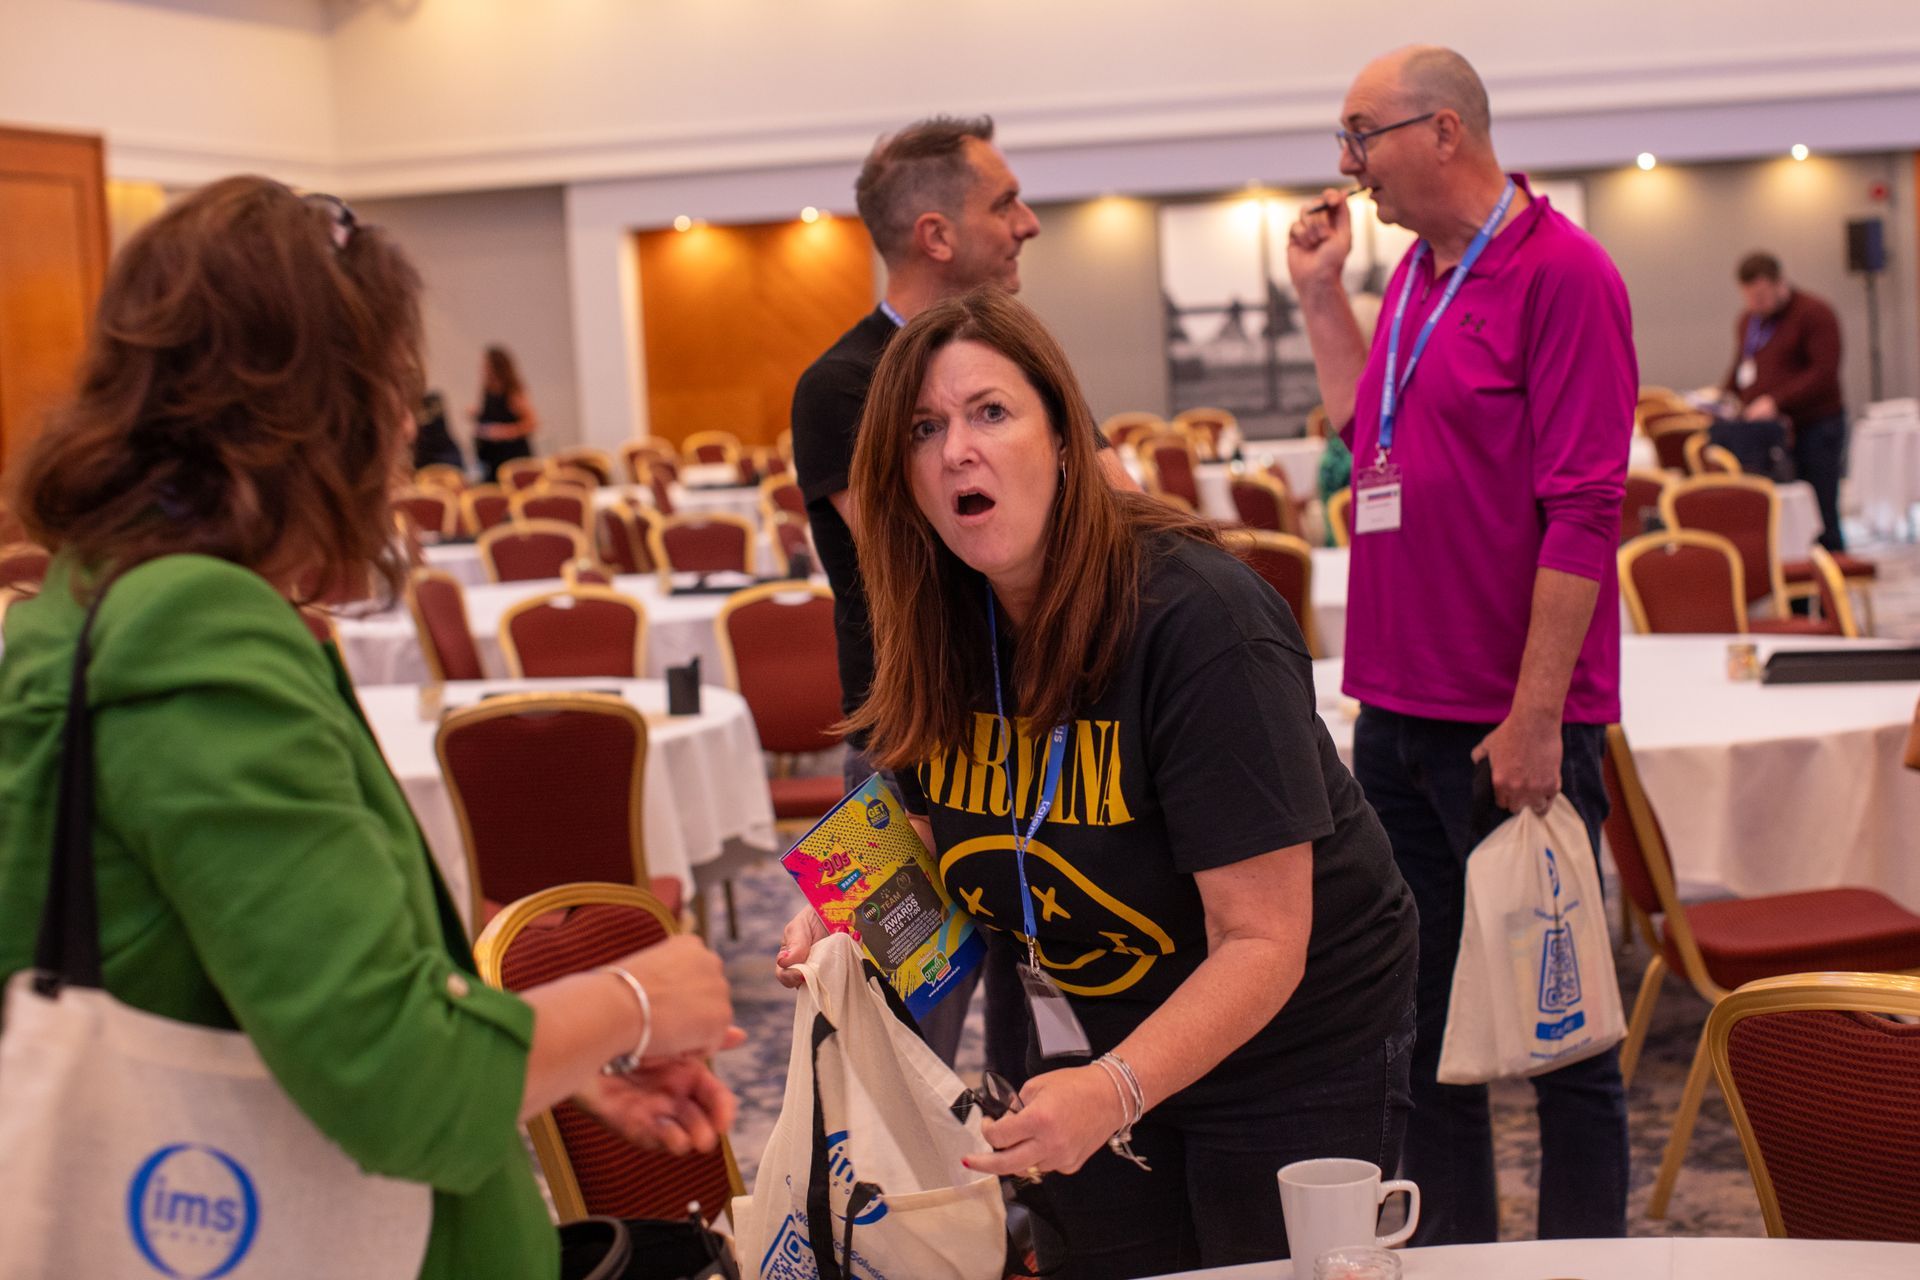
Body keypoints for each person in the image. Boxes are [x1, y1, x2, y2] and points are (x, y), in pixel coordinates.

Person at [0, 177, 739, 1280]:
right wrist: (635, 996)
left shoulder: (94, 598)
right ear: (315, 412)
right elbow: (400, 1083)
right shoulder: (195, 628)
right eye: (391, 388)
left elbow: (291, 992)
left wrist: (553, 1052)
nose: (407, 426)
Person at [778, 288, 1418, 1278]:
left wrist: (1120, 1089)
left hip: (1291, 1039)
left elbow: (1264, 937)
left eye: (990, 411)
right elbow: (921, 812)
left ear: (1068, 439)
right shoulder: (941, 617)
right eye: (925, 428)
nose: (957, 450)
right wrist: (846, 909)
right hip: (1087, 1029)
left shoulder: (1198, 621)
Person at [1287, 46, 1635, 1243]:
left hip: (1509, 722)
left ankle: (1586, 1264)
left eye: (1360, 136)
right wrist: (1323, 296)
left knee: (1563, 1035)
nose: (1347, 169)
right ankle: (1458, 1261)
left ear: (1443, 132)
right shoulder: (1423, 281)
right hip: (1395, 715)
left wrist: (1538, 714)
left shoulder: (1566, 275)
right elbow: (1359, 432)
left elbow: (1587, 508)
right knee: (1424, 1029)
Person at [790, 115, 1127, 1069]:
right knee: (899, 1041)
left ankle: (1035, 1209)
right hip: (916, 754)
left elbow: (1124, 518)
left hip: (1052, 736)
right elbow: (940, 555)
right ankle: (904, 1221)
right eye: (1003, 203)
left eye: (987, 417)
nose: (1027, 223)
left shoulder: (1013, 362)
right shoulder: (843, 385)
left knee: (1052, 1020)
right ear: (936, 235)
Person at [1723, 251, 1847, 550]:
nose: (1756, 304)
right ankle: (1797, 590)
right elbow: (1742, 366)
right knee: (1787, 519)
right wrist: (1723, 396)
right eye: (1750, 297)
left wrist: (1775, 402)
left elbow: (1823, 373)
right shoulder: (1749, 321)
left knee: (1820, 513)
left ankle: (1831, 586)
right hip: (1771, 434)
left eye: (1762, 296)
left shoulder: (1814, 313)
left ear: (1781, 284)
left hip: (1816, 427)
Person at [472, 344, 539, 481]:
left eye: (486, 366)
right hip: (492, 457)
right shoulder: (488, 389)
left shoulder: (513, 392)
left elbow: (532, 423)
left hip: (513, 457)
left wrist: (503, 432)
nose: (483, 370)